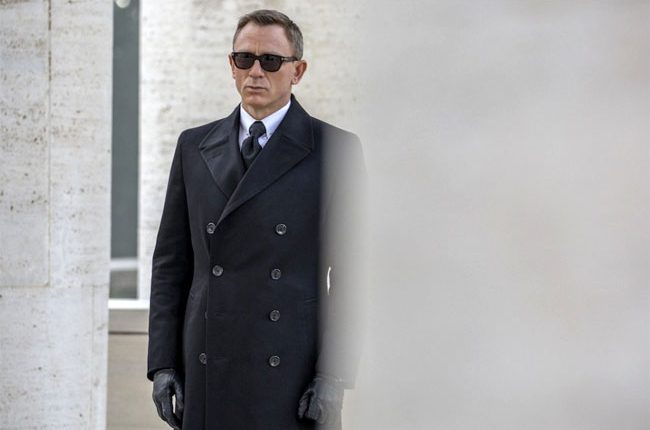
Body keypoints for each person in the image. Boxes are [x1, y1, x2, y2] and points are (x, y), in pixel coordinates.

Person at [147, 9, 366, 430]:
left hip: (293, 374)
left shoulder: (335, 150)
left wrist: (333, 377)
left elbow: (353, 277)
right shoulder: (193, 146)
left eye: (271, 60)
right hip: (207, 368)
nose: (256, 72)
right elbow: (170, 265)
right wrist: (163, 364)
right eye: (244, 58)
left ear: (298, 71)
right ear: (232, 65)